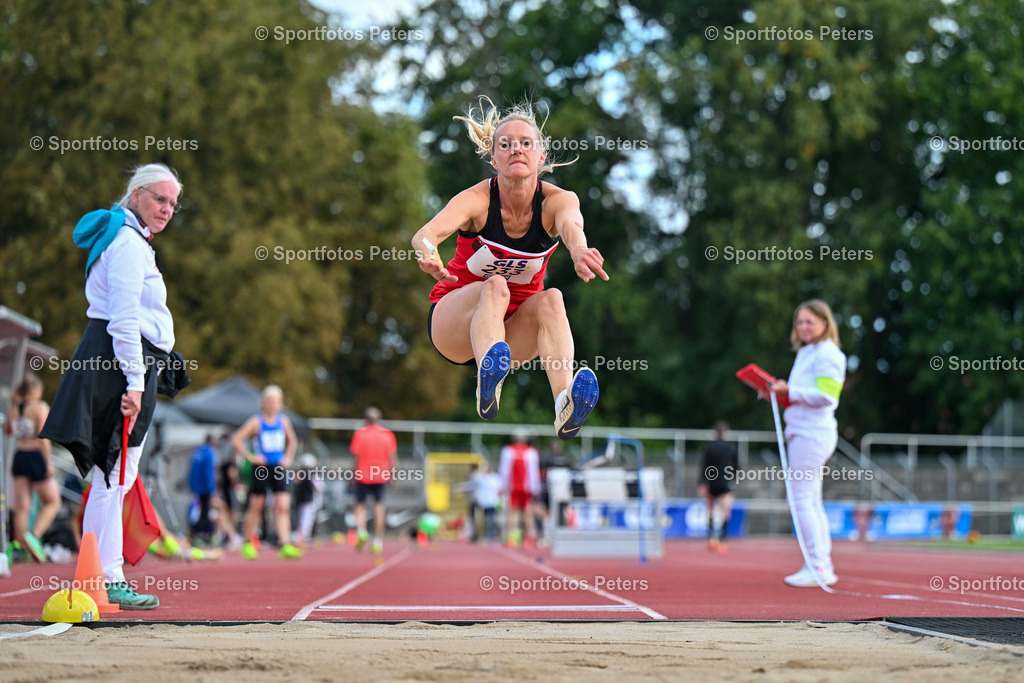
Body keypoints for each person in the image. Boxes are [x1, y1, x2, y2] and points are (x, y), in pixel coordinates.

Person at [39, 163, 191, 610]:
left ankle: (105, 574)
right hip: (120, 363)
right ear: (136, 194)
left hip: (124, 361)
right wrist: (135, 382)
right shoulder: (126, 243)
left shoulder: (131, 240)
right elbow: (123, 320)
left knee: (116, 476)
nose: (166, 209)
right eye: (160, 199)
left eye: (172, 204)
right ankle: (104, 576)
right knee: (113, 474)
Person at [413, 96, 607, 440]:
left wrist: (578, 249)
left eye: (525, 143)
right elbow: (426, 234)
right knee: (496, 285)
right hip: (454, 326)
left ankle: (565, 404)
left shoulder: (557, 201)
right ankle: (488, 380)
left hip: (511, 334)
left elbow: (571, 225)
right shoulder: (477, 200)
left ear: (541, 156)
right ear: (494, 159)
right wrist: (430, 255)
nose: (516, 149)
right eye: (505, 144)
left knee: (553, 298)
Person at [768, 299, 847, 587]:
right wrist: (780, 393)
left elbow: (827, 396)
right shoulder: (807, 352)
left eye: (809, 321)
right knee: (810, 500)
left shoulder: (828, 353)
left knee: (801, 499)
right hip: (804, 431)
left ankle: (818, 565)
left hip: (812, 434)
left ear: (825, 323)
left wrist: (790, 391)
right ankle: (819, 563)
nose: (803, 327)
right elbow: (804, 394)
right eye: (799, 322)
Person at [232, 385, 302, 560]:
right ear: (264, 402)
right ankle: (247, 542)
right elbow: (237, 439)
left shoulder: (283, 421)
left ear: (280, 404)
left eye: (276, 401)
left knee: (282, 504)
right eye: (270, 401)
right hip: (261, 468)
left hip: (278, 467)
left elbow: (293, 440)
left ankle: (284, 543)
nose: (273, 404)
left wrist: (288, 458)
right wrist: (251, 457)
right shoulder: (256, 422)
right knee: (257, 505)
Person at [6, 374, 61, 562]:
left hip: (19, 456)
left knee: (22, 507)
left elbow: (8, 431)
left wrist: (13, 405)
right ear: (36, 389)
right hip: (35, 456)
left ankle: (22, 547)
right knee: (53, 501)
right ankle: (34, 536)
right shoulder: (40, 407)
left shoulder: (15, 408)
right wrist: (48, 463)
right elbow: (43, 436)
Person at [349, 407, 398, 555]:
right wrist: (393, 476)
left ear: (366, 420)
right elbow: (392, 458)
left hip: (363, 474)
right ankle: (377, 541)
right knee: (379, 507)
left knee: (359, 505)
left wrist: (353, 474)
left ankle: (362, 531)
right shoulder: (387, 435)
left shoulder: (360, 434)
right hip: (380, 475)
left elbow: (356, 457)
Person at [698, 420, 739, 553]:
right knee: (725, 511)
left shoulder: (709, 448)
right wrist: (735, 479)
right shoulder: (731, 448)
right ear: (727, 433)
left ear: (715, 433)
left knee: (710, 510)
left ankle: (711, 538)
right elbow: (736, 466)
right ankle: (722, 540)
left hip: (712, 482)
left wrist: (702, 483)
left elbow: (704, 466)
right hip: (725, 482)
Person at [499, 429, 541, 548]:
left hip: (513, 486)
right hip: (527, 487)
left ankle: (510, 538)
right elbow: (534, 472)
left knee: (512, 513)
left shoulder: (507, 451)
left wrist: (503, 486)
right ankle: (527, 538)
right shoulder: (531, 452)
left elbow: (504, 470)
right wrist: (535, 488)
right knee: (527, 513)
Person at [188, 434, 218, 543]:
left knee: (195, 511)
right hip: (204, 489)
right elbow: (208, 473)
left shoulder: (198, 452)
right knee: (204, 512)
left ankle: (195, 534)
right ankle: (201, 534)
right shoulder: (209, 453)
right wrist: (212, 490)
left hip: (195, 487)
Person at [293, 453, 324, 547]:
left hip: (307, 499)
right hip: (304, 499)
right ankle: (302, 537)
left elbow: (320, 487)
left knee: (306, 519)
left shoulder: (311, 475)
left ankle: (304, 537)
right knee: (305, 519)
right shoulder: (304, 475)